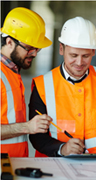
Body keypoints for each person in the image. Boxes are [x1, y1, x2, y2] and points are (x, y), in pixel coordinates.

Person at [29, 16, 96, 160]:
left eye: (85, 56)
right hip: (55, 166)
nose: (79, 62)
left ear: (93, 51)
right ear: (61, 49)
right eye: (73, 55)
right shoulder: (42, 85)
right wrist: (62, 148)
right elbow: (37, 135)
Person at [0, 7, 53, 157]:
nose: (34, 53)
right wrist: (27, 127)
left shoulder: (12, 72)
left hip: (13, 165)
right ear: (9, 42)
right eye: (29, 48)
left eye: (37, 49)